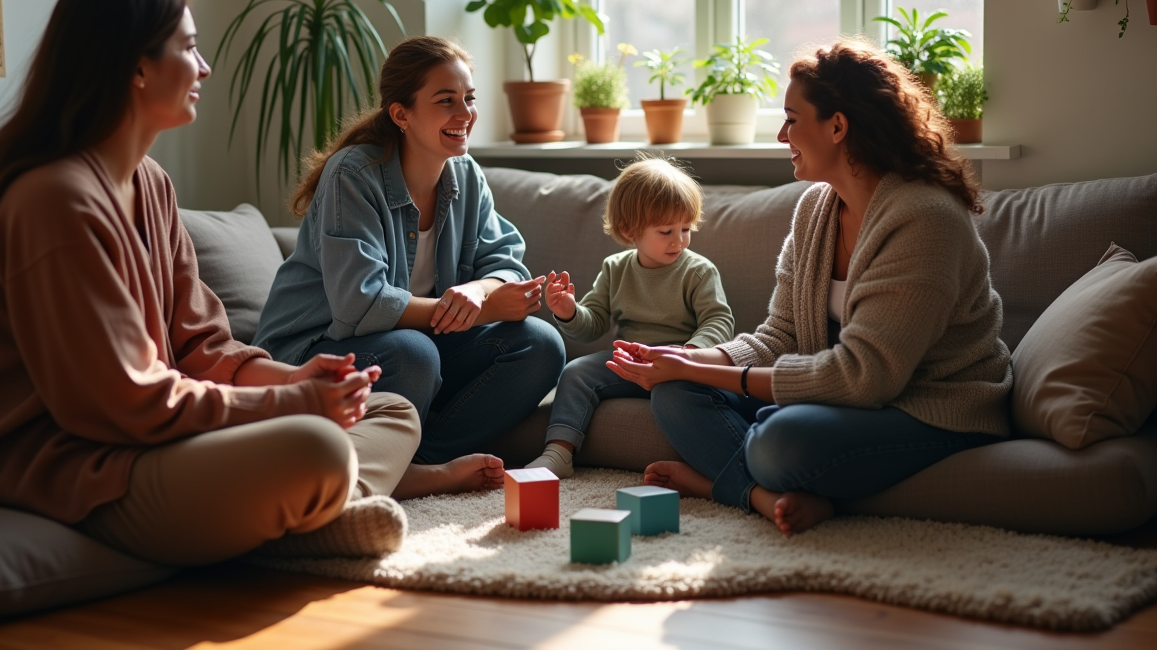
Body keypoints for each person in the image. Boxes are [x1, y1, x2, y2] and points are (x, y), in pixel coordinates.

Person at [0, 0, 428, 567]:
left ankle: (312, 514)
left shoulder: (151, 184)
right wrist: (294, 406)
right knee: (317, 447)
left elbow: (203, 346)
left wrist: (293, 380)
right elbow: (126, 404)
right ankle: (317, 510)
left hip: (156, 440)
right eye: (188, 47)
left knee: (389, 407)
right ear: (136, 66)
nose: (204, 67)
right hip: (77, 467)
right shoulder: (56, 201)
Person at [607, 38, 1013, 537]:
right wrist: (684, 363)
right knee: (673, 392)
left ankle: (725, 483)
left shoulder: (925, 219)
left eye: (791, 119)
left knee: (779, 443)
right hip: (840, 401)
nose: (781, 135)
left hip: (930, 407)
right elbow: (780, 336)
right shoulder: (815, 209)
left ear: (837, 126)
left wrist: (721, 377)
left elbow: (866, 378)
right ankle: (759, 495)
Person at [254, 36, 565, 485]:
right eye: (446, 101)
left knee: (539, 344)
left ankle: (417, 464)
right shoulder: (353, 175)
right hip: (313, 350)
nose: (465, 114)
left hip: (416, 344)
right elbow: (359, 305)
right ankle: (407, 471)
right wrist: (484, 309)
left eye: (469, 99)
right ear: (401, 114)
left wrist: (479, 291)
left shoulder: (466, 174)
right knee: (415, 355)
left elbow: (505, 260)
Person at [526, 156, 734, 478]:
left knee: (675, 393)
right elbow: (593, 322)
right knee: (577, 371)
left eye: (685, 228)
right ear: (629, 229)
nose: (679, 240)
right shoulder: (616, 268)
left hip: (678, 363)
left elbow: (718, 321)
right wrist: (568, 311)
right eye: (666, 231)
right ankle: (558, 453)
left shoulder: (698, 271)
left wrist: (689, 354)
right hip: (627, 359)